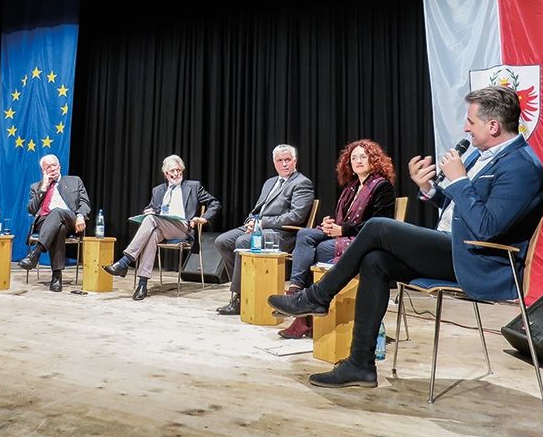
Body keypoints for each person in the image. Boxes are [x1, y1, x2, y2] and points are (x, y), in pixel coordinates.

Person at [268, 86, 543, 388]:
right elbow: (462, 209)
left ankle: (316, 298)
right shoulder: (485, 157)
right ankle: (360, 364)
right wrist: (430, 189)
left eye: (471, 122)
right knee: (376, 261)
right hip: (454, 249)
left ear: (493, 126)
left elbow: (486, 228)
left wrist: (459, 180)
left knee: (377, 226)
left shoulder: (522, 166)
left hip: (479, 261)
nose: (466, 128)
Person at [279, 139, 396, 339]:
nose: (358, 161)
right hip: (346, 233)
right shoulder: (352, 187)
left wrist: (342, 229)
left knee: (321, 249)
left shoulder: (382, 186)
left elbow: (378, 224)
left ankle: (303, 317)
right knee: (304, 234)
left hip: (365, 240)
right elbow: (344, 220)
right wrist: (330, 224)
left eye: (363, 156)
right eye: (354, 158)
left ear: (374, 159)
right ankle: (295, 291)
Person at [103, 155, 221, 301]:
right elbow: (151, 208)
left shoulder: (193, 186)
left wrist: (203, 218)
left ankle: (124, 262)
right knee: (152, 233)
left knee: (151, 220)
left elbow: (215, 203)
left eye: (179, 170)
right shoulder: (158, 190)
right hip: (163, 228)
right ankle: (142, 285)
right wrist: (147, 211)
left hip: (183, 228)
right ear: (166, 173)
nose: (176, 174)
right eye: (173, 171)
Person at [214, 144, 314, 315]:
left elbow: (296, 216)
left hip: (282, 234)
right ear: (274, 163)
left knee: (243, 241)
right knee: (222, 241)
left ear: (295, 161)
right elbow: (257, 210)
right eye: (280, 160)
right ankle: (246, 288)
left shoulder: (302, 183)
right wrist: (251, 222)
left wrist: (262, 224)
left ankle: (239, 298)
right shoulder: (270, 182)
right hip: (259, 228)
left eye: (287, 160)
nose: (284, 164)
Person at [18, 154, 91, 292]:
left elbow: (84, 202)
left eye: (54, 165)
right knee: (59, 228)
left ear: (59, 166)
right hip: (45, 222)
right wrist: (44, 187)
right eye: (48, 167)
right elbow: (32, 210)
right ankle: (56, 276)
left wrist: (81, 216)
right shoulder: (36, 187)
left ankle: (36, 253)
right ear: (43, 171)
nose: (52, 168)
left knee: (57, 212)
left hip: (71, 219)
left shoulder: (75, 181)